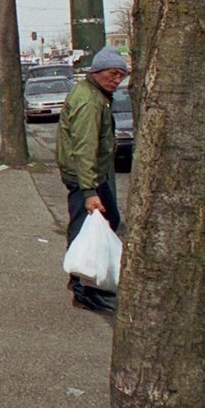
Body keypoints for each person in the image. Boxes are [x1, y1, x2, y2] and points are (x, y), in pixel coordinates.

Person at [56, 46, 129, 314]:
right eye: (113, 73)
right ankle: (84, 288)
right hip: (86, 178)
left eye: (121, 74)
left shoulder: (94, 95)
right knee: (89, 228)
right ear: (96, 71)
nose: (117, 79)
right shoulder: (91, 101)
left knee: (91, 226)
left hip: (87, 175)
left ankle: (83, 282)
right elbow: (85, 147)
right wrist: (90, 191)